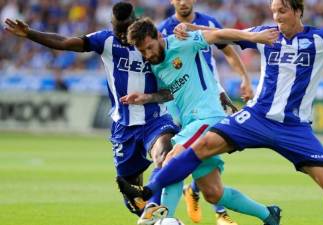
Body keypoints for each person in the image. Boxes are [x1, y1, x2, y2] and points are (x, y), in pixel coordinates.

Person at [114, 0, 323, 225]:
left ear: (297, 10)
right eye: (273, 11)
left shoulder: (321, 39)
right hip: (257, 116)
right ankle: (158, 200)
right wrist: (187, 27)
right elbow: (232, 36)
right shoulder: (266, 34)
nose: (276, 17)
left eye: (282, 11)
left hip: (293, 126)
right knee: (209, 180)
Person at [4, 1, 179, 220]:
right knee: (132, 199)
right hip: (123, 126)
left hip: (155, 119)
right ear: (111, 25)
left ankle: (158, 209)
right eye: (118, 30)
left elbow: (173, 89)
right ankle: (154, 217)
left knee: (164, 154)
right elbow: (66, 42)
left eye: (127, 29)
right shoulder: (105, 40)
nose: (123, 35)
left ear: (135, 22)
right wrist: (30, 33)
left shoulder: (154, 43)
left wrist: (148, 98)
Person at [118, 17, 281, 225]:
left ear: (159, 36)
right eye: (143, 52)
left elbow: (220, 35)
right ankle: (268, 214)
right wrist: (146, 98)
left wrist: (253, 37)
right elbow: (170, 92)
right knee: (213, 192)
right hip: (192, 125)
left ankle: (160, 218)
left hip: (208, 117)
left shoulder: (182, 40)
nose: (148, 54)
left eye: (149, 47)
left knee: (172, 159)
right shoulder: (157, 66)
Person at [158, 0, 254, 224]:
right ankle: (214, 210)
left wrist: (244, 78)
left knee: (214, 147)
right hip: (181, 100)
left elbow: (229, 51)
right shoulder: (162, 30)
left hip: (211, 96)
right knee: (190, 150)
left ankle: (192, 194)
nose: (183, 2)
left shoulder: (209, 22)